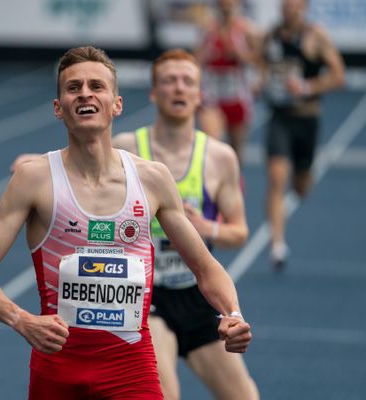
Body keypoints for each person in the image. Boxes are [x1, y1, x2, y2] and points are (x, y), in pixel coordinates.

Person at [0, 46, 252, 400]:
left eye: (97, 86)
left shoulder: (152, 180)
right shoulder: (33, 180)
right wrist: (22, 320)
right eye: (73, 87)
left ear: (116, 104)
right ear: (58, 108)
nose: (85, 93)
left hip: (130, 367)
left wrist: (233, 313)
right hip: (57, 368)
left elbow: (206, 268)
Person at [111, 49, 259, 400]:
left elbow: (240, 231)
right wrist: (41, 164)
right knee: (163, 394)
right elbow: (81, 170)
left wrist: (206, 229)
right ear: (153, 92)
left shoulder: (220, 157)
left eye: (187, 81)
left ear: (199, 94)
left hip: (196, 295)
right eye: (169, 81)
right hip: (146, 296)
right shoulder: (127, 148)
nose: (178, 88)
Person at [260, 0, 345, 268]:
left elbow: (339, 75)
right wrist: (259, 81)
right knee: (276, 179)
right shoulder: (270, 36)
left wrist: (306, 87)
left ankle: (303, 175)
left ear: (304, 7)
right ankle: (277, 245)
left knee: (301, 186)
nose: (289, 8)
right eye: (285, 4)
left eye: (295, 4)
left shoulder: (315, 37)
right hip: (279, 117)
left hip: (307, 119)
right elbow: (259, 64)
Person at [194, 0, 261, 164]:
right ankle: (214, 186)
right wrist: (205, 55)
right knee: (211, 147)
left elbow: (260, 62)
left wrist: (240, 55)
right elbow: (195, 60)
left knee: (236, 153)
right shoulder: (207, 29)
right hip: (212, 98)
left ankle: (234, 185)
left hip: (238, 98)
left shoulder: (247, 30)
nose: (226, 4)